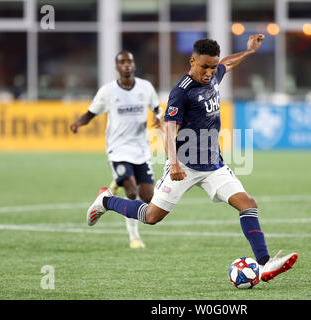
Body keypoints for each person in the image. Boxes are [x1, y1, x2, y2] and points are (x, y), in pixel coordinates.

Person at [86, 34, 298, 282]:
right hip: (184, 166)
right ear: (192, 61)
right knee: (151, 217)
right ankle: (107, 201)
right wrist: (174, 163)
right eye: (204, 67)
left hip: (213, 165)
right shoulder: (181, 92)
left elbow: (227, 64)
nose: (209, 72)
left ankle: (265, 264)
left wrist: (249, 51)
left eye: (212, 67)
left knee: (248, 203)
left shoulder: (214, 74)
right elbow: (169, 128)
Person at [70, 50, 162, 249]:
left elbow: (157, 108)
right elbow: (90, 113)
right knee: (130, 192)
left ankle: (114, 184)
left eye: (129, 61)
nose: (126, 65)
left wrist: (159, 117)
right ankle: (134, 237)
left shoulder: (145, 88)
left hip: (141, 150)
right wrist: (78, 123)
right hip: (118, 149)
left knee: (148, 197)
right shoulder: (108, 91)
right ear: (117, 67)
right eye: (122, 62)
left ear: (134, 65)